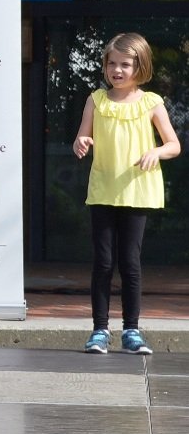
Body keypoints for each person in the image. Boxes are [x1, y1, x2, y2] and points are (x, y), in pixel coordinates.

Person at [73, 33, 180, 355]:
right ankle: (99, 330)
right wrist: (82, 143)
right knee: (103, 262)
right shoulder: (96, 100)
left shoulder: (151, 103)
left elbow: (174, 144)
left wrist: (156, 153)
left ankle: (132, 330)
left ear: (140, 66)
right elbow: (81, 136)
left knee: (130, 263)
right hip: (104, 189)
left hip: (137, 191)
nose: (117, 70)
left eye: (125, 64)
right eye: (112, 64)